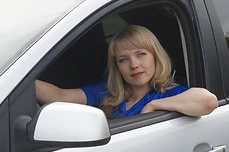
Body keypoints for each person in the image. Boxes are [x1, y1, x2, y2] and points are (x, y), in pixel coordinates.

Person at [36, 25, 218, 118]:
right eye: (124, 59)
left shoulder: (165, 94)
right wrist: (14, 79)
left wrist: (155, 106)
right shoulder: (108, 93)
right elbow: (60, 96)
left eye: (141, 55)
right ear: (117, 66)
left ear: (155, 56)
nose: (134, 65)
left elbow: (208, 101)